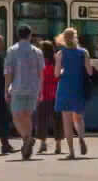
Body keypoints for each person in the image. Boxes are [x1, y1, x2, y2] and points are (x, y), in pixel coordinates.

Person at [3, 26, 44, 159]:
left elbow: (8, 72)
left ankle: (26, 138)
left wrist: (6, 89)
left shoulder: (12, 50)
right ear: (30, 35)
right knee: (27, 116)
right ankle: (28, 138)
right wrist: (40, 90)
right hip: (33, 88)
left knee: (16, 116)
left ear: (17, 35)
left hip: (17, 88)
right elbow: (41, 72)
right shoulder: (37, 51)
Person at [55, 28, 90, 158]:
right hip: (78, 87)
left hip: (65, 88)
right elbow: (90, 72)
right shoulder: (83, 52)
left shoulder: (60, 54)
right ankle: (81, 137)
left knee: (67, 121)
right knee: (79, 118)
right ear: (76, 38)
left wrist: (64, 71)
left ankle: (71, 152)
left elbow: (56, 74)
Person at [37, 40, 63, 156]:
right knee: (57, 120)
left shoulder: (40, 62)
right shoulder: (56, 61)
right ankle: (58, 145)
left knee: (42, 120)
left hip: (44, 94)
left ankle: (43, 143)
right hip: (57, 94)